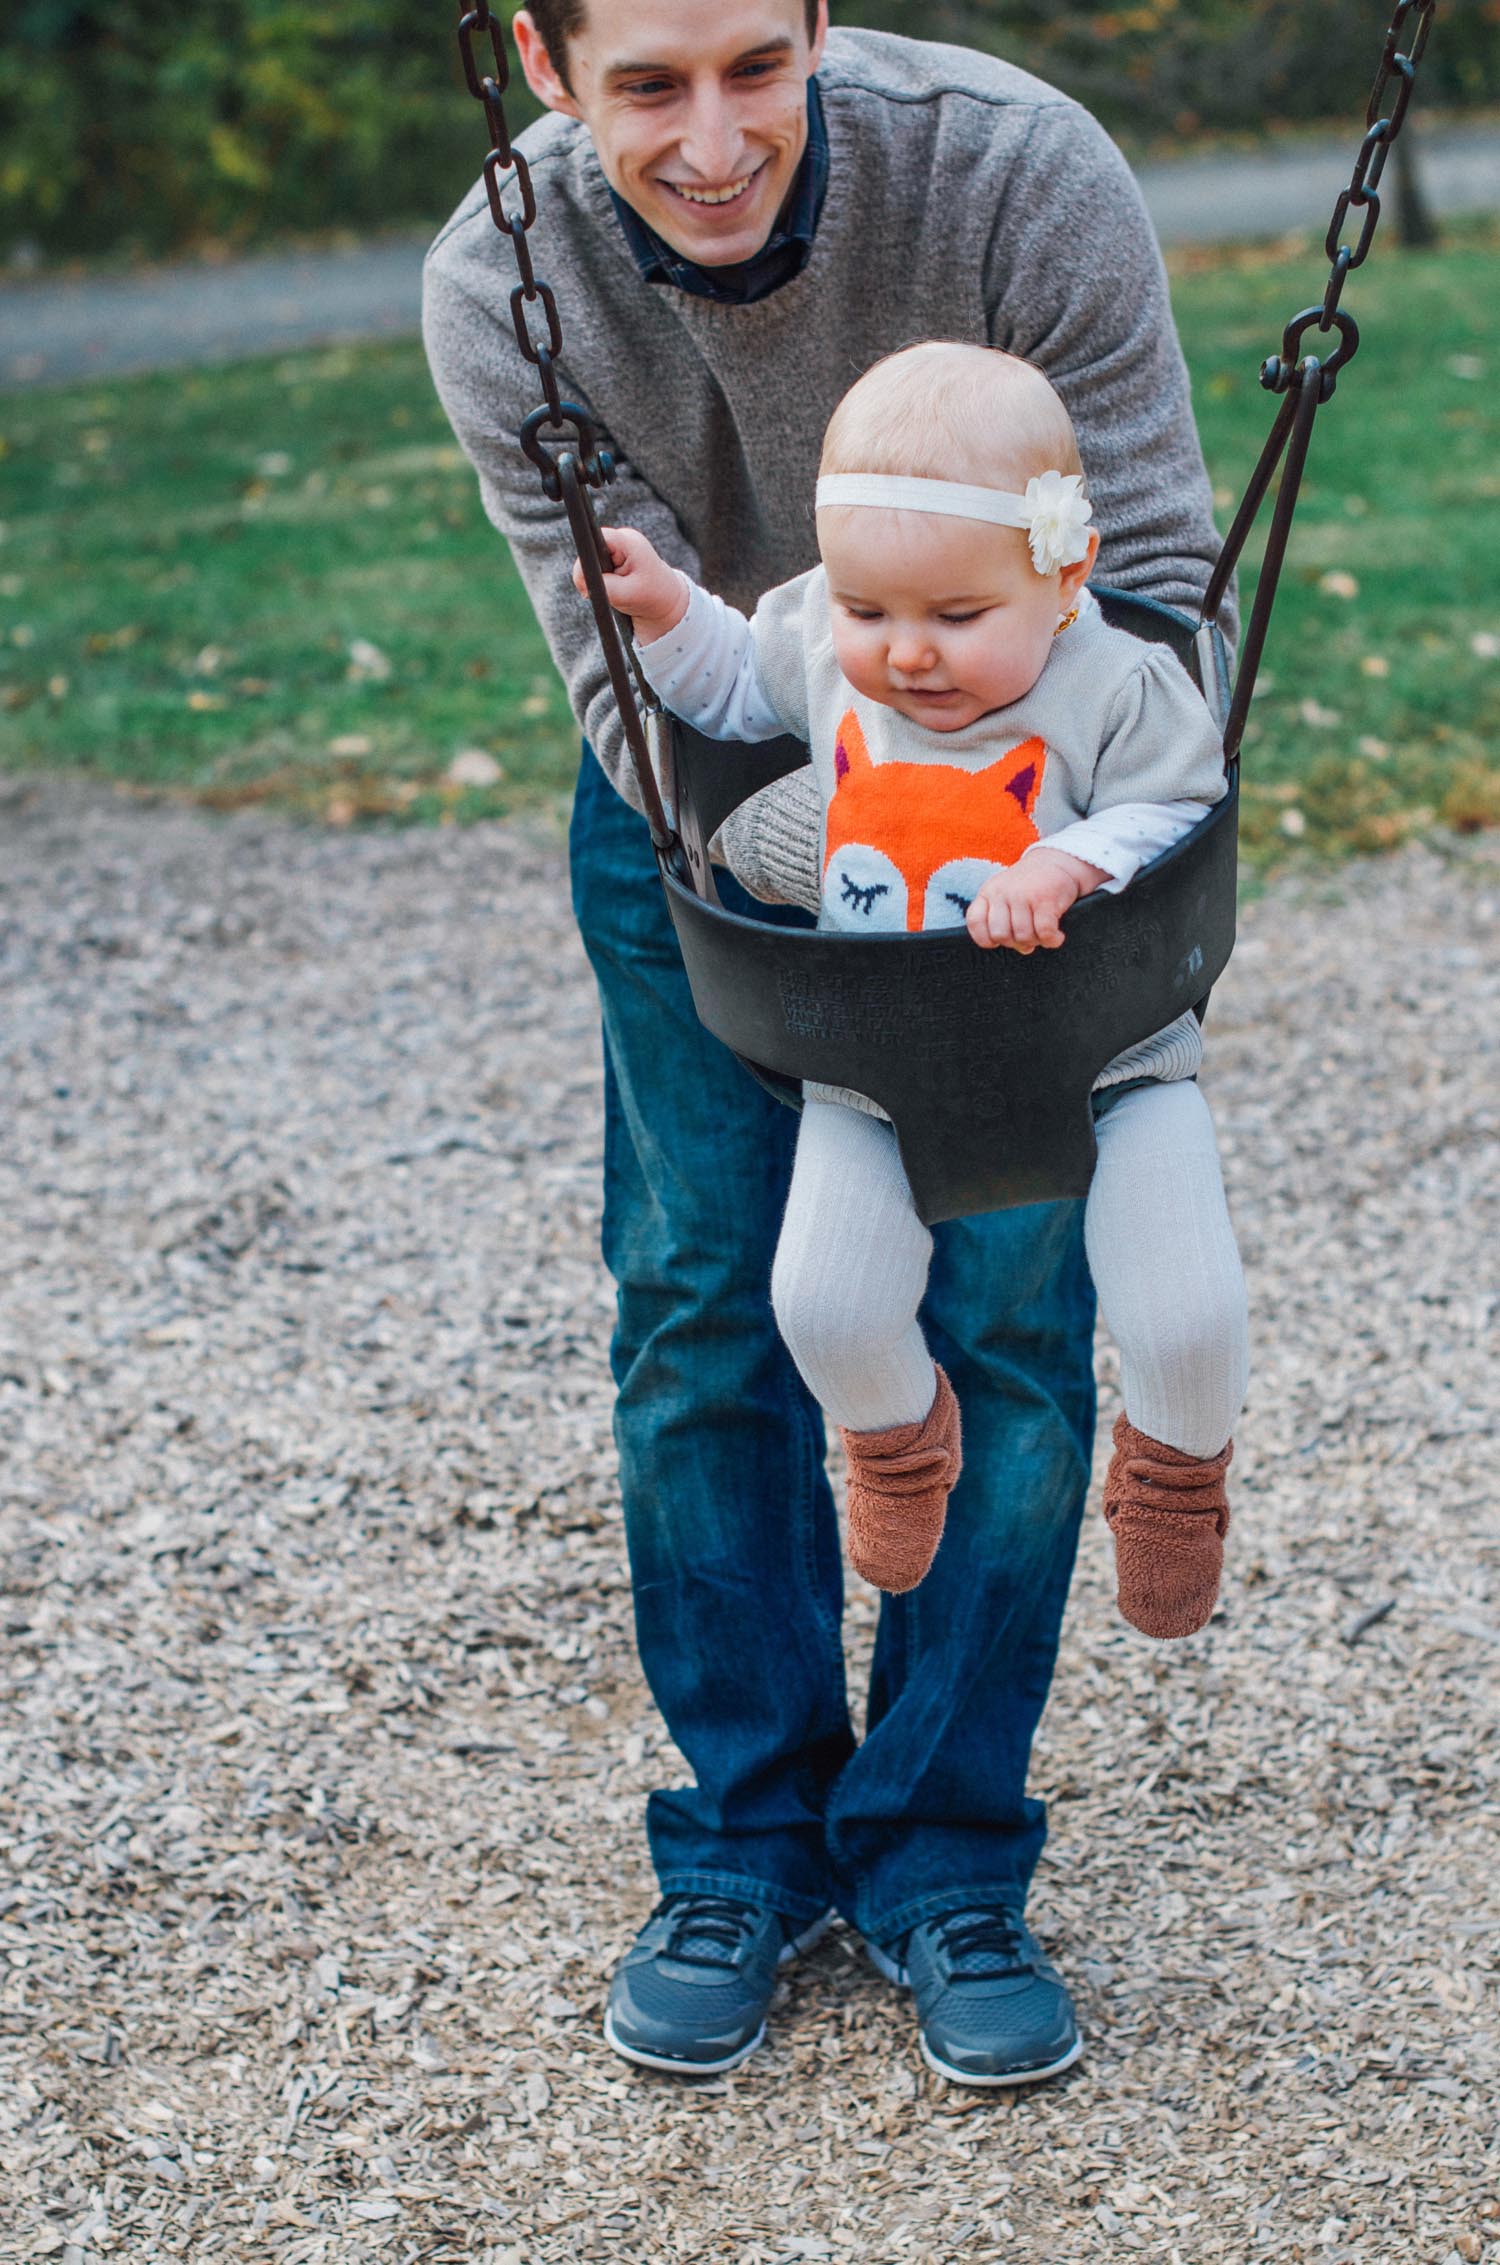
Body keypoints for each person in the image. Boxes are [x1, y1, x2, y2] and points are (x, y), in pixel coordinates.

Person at [422, 0, 1232, 2088]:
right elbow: (634, 673)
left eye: (753, 70)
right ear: (540, 59)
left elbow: (1150, 572)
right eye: (647, 88)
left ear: (811, 25)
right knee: (709, 1299)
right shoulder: (497, 281)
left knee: (1017, 1301)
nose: (711, 144)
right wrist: (840, 847)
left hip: (1049, 794)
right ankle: (747, 1839)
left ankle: (944, 1849)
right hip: (717, 804)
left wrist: (1044, 830)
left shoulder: (1012, 172)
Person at [584, 342, 1249, 1627]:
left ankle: (1174, 1477)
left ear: (1066, 579)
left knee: (1188, 1311)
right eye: (870, 612)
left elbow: (1184, 805)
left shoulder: (1114, 683)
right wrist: (670, 617)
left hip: (1107, 1053)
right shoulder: (835, 652)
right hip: (877, 1058)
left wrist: (1069, 857)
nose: (907, 655)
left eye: (955, 618)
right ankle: (899, 1436)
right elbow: (730, 689)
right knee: (821, 1301)